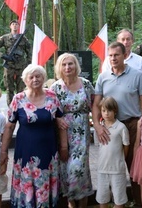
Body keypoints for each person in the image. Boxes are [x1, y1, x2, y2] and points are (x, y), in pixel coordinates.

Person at [0, 64, 67, 208]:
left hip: (48, 150)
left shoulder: (52, 97)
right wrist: (4, 151)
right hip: (26, 151)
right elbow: (9, 126)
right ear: (25, 80)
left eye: (38, 76)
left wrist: (64, 146)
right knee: (27, 182)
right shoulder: (18, 99)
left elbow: (61, 122)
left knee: (46, 182)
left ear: (44, 78)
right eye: (31, 77)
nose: (35, 79)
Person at [92, 42, 142, 206]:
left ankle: (139, 203)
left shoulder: (137, 75)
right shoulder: (103, 77)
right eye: (110, 55)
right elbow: (96, 104)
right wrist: (97, 125)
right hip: (109, 129)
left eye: (116, 55)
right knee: (110, 167)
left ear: (125, 55)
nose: (113, 58)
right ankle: (110, 200)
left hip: (132, 126)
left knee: (135, 168)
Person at [50, 53, 94, 208]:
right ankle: (71, 203)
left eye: (70, 64)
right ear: (59, 68)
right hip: (63, 133)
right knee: (66, 170)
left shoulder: (86, 84)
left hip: (82, 132)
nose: (67, 67)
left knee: (79, 169)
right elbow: (49, 110)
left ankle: (82, 203)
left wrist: (99, 124)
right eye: (64, 64)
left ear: (76, 66)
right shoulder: (55, 88)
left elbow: (95, 105)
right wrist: (57, 118)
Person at [94, 97, 129, 208]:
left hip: (117, 169)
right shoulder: (99, 128)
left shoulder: (121, 127)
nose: (106, 113)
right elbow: (98, 146)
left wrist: (121, 158)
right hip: (102, 169)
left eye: (109, 110)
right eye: (103, 111)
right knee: (102, 198)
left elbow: (126, 146)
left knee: (119, 200)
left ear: (115, 111)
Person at [0, 20, 32, 106]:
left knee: (21, 88)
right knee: (9, 88)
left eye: (16, 24)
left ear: (18, 26)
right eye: (13, 24)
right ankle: (11, 107)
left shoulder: (23, 38)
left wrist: (28, 65)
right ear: (10, 26)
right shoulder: (5, 38)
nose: (15, 26)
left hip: (21, 66)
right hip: (9, 66)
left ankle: (21, 106)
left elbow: (29, 52)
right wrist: (3, 56)